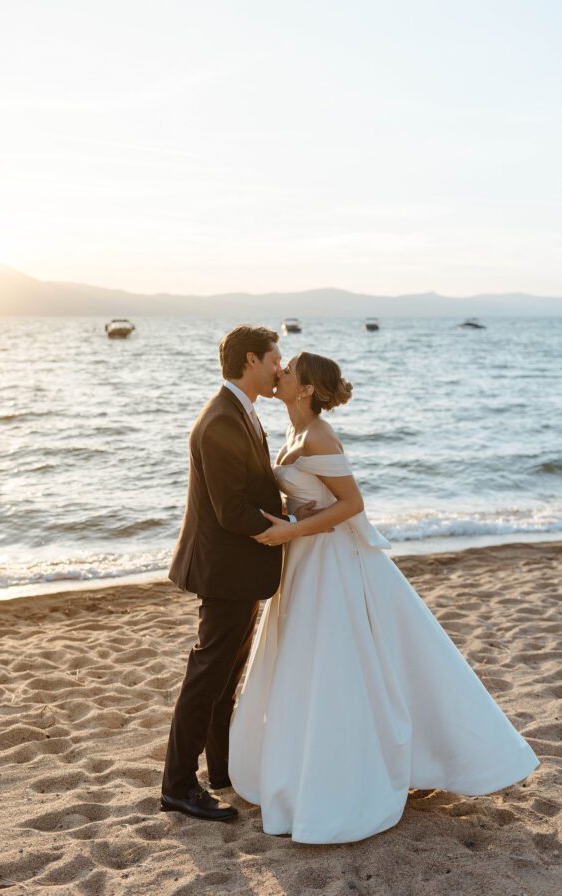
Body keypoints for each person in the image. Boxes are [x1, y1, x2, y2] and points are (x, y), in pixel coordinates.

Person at [228, 351, 539, 843]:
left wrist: (293, 531)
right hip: (305, 560)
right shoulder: (292, 433)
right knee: (306, 663)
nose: (279, 374)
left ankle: (355, 774)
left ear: (306, 389)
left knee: (337, 663)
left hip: (329, 561)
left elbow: (353, 504)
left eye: (287, 371)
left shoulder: (319, 436)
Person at [161, 326, 316, 822]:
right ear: (252, 361)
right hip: (223, 570)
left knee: (224, 679)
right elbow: (232, 511)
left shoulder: (241, 412)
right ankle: (178, 786)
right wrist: (293, 526)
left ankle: (222, 773)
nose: (280, 368)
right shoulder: (220, 421)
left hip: (238, 569)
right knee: (206, 677)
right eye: (275, 359)